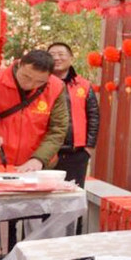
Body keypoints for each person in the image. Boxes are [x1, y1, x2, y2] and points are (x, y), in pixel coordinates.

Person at [0, 49, 68, 173]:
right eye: (26, 77)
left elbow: (58, 130)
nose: (30, 84)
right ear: (19, 64)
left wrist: (39, 159)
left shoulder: (57, 87)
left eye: (40, 82)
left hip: (37, 166)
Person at [47, 42, 99, 188]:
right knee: (45, 198)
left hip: (76, 152)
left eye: (61, 54)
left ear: (71, 58)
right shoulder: (40, 83)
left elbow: (93, 115)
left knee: (72, 197)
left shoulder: (84, 85)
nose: (57, 58)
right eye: (52, 55)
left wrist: (89, 147)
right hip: (46, 152)